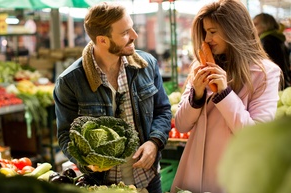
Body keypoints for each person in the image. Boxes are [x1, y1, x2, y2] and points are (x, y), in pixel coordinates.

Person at [53, 2, 172, 193]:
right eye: (125, 32)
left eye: (132, 28)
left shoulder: (147, 65)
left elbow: (163, 110)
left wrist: (154, 142)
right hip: (101, 186)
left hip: (149, 181)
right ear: (102, 40)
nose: (134, 36)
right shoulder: (69, 81)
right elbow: (66, 135)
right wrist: (87, 163)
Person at [170, 0, 281, 193]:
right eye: (205, 32)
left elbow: (256, 137)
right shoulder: (200, 66)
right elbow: (181, 125)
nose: (207, 38)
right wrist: (196, 96)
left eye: (213, 32)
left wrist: (224, 93)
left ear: (234, 30)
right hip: (194, 174)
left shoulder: (265, 73)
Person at [253, 13, 291, 89]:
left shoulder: (266, 41)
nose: (252, 27)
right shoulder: (279, 38)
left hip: (274, 84)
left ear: (266, 25)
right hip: (284, 82)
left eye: (255, 24)